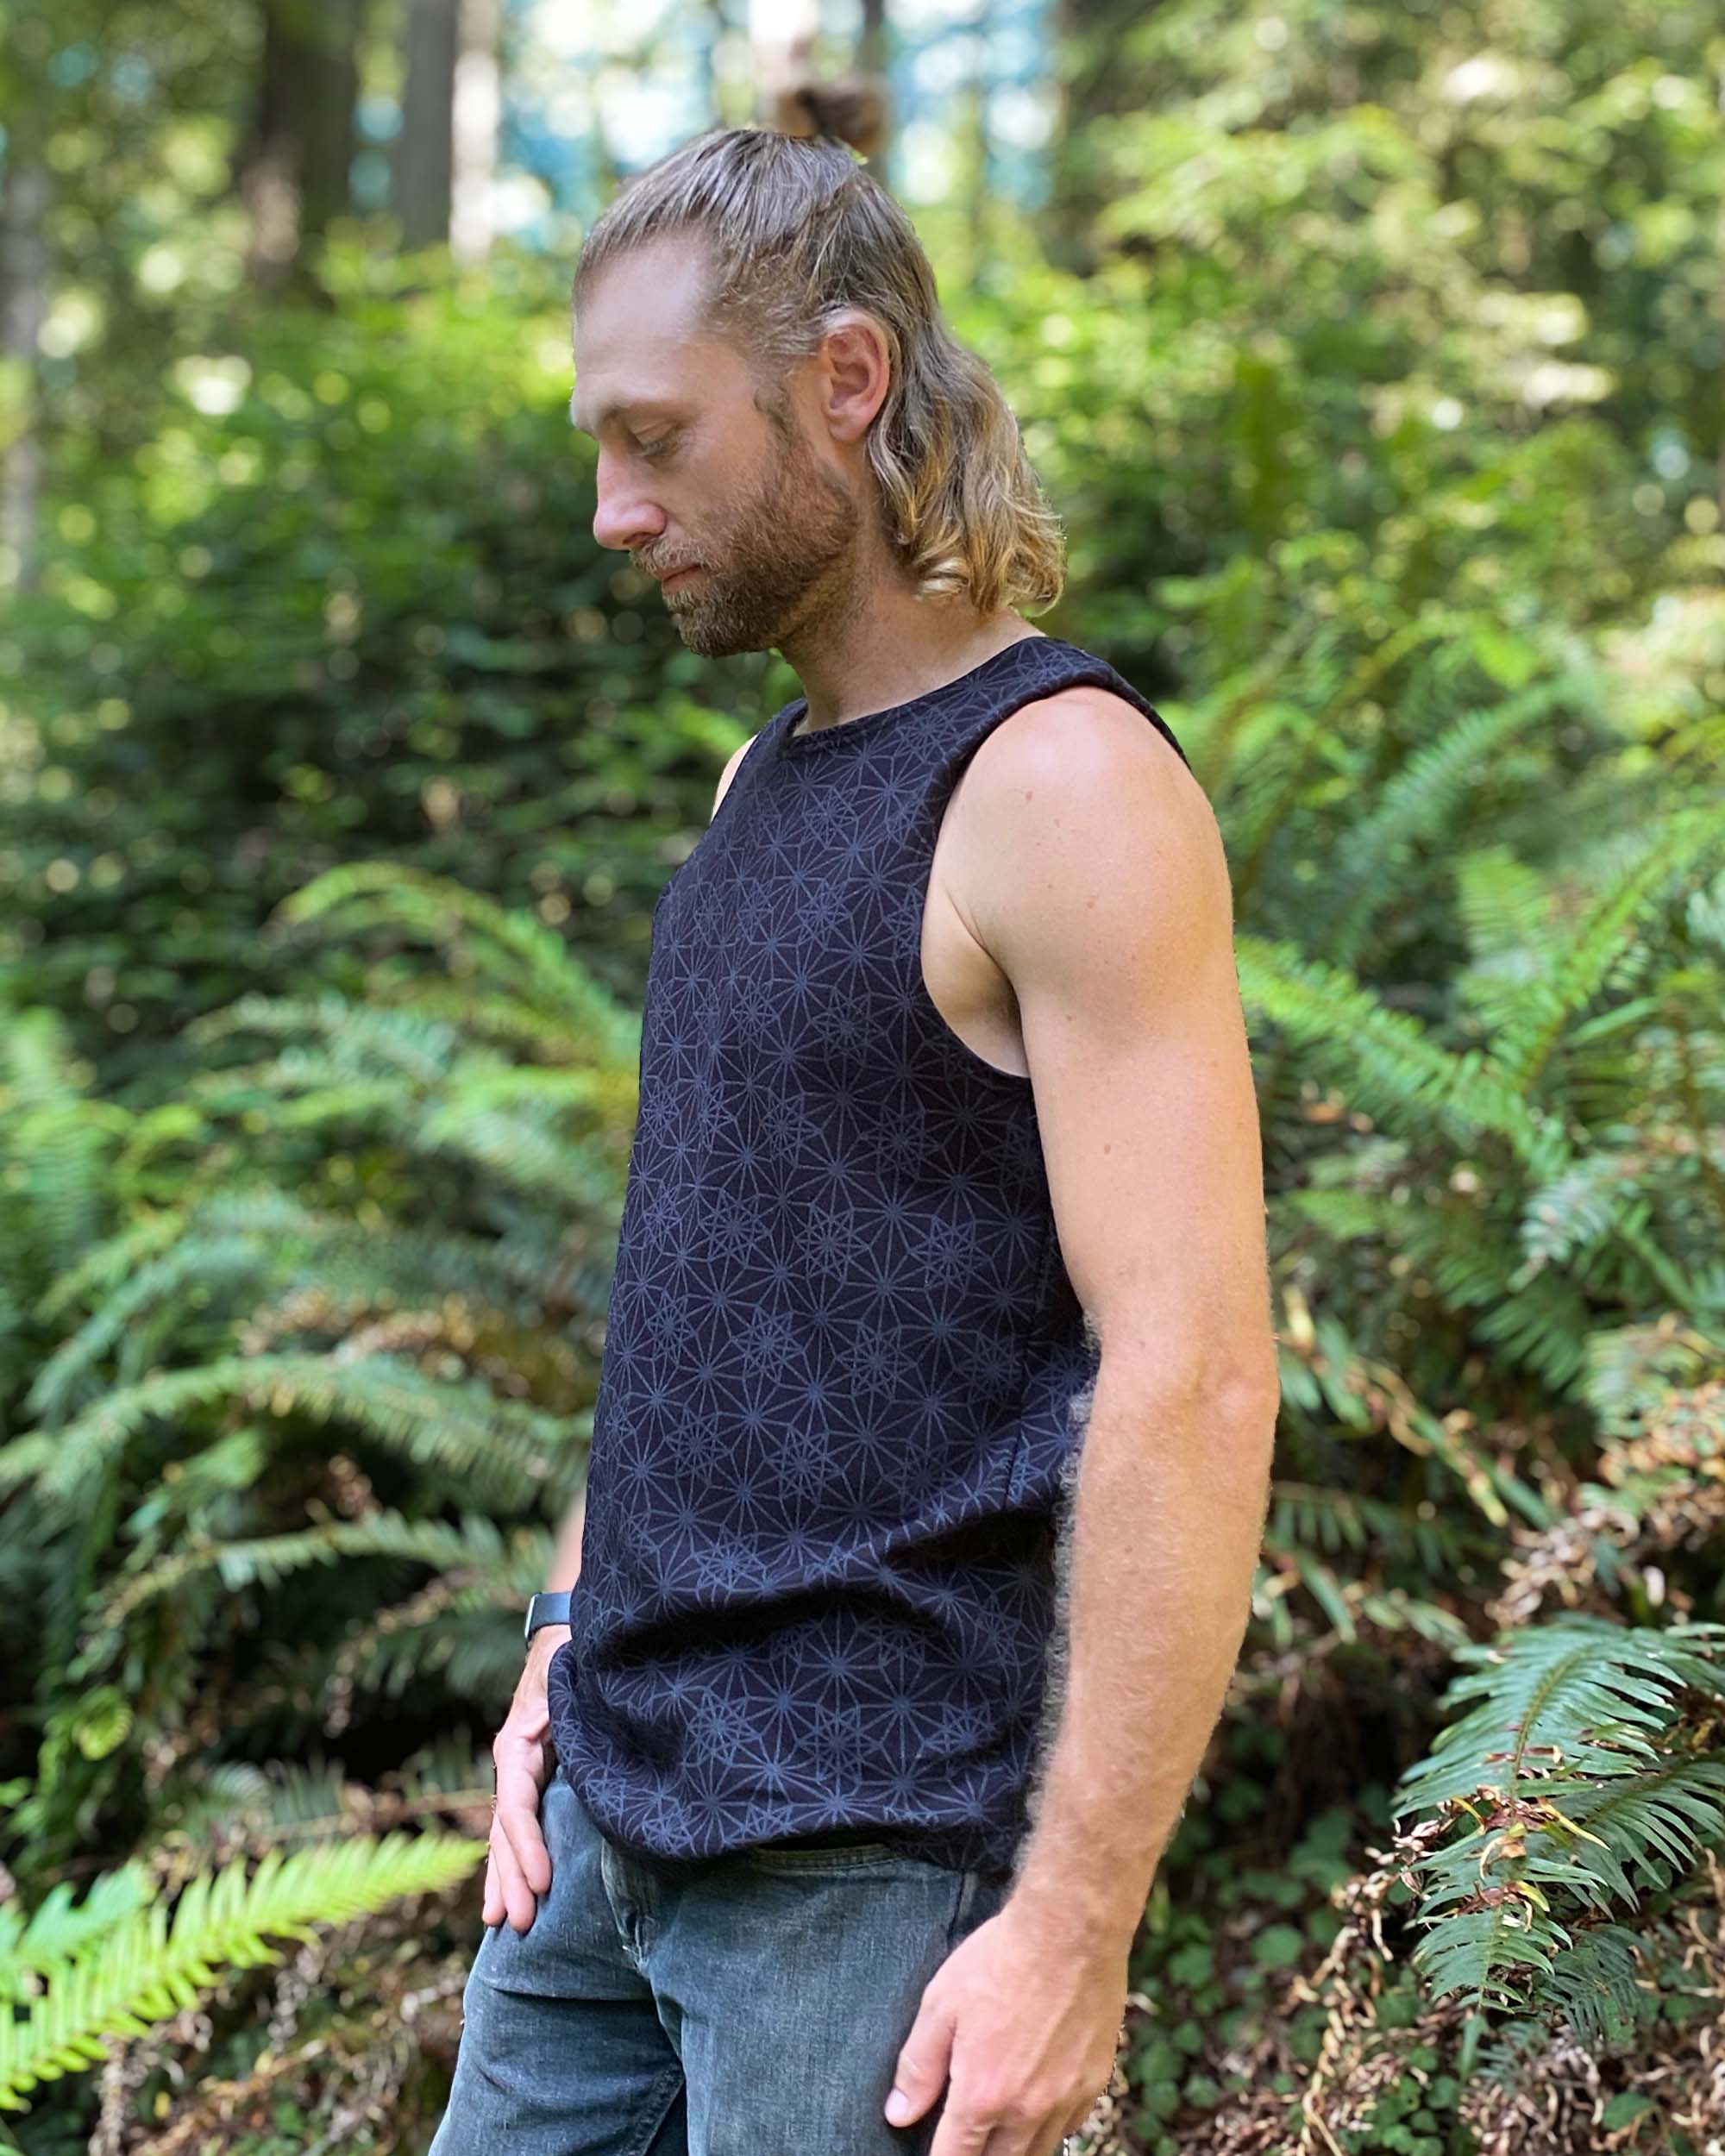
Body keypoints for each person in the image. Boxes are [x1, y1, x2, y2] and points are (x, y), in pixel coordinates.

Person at [429, 96, 1277, 2156]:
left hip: (862, 1887)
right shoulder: (755, 795)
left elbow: (1196, 1368)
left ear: (845, 383)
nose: (615, 511)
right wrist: (562, 1627)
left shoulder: (1062, 787)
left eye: (657, 437)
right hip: (603, 1845)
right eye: (597, 449)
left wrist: (1073, 1921)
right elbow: (697, 1301)